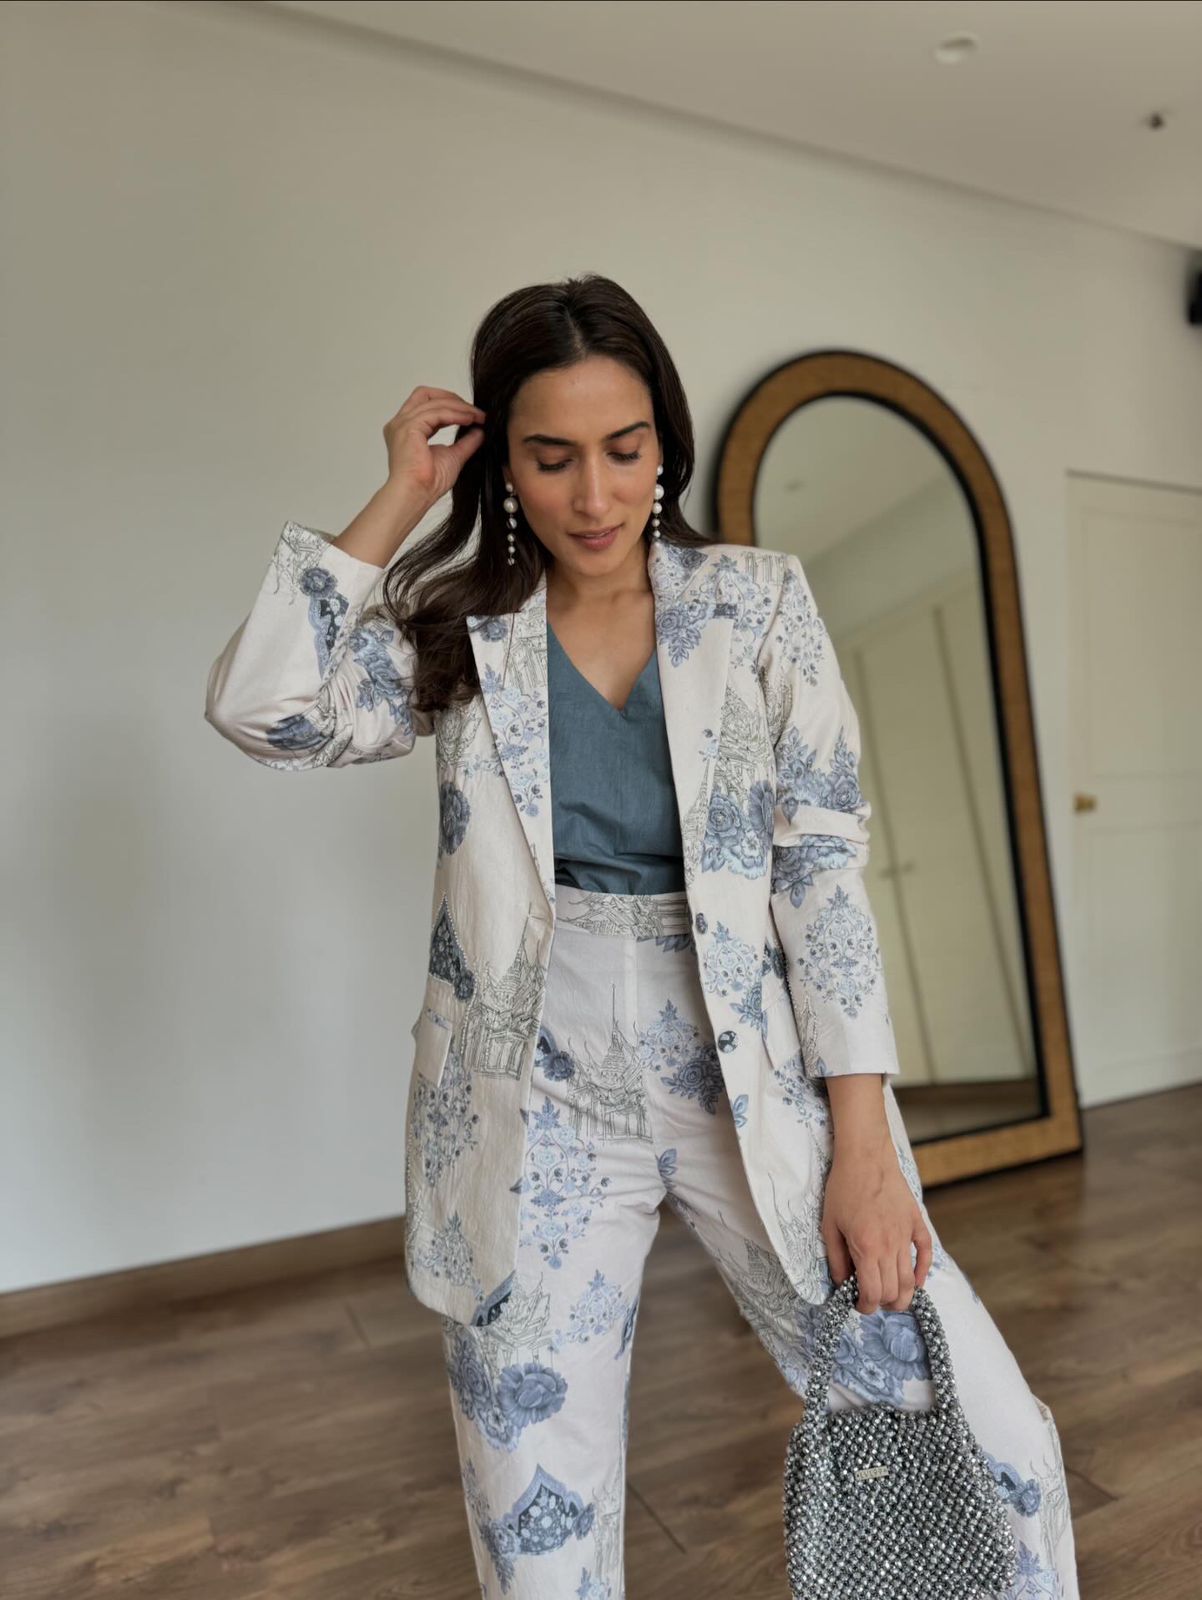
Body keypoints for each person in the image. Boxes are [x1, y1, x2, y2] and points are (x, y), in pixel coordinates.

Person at [205, 274, 1079, 1600]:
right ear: (502, 457)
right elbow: (262, 709)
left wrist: (866, 1145)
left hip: (754, 1078)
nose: (594, 497)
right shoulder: (458, 627)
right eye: (551, 458)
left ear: (664, 441)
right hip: (528, 1103)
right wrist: (397, 500)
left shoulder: (756, 603)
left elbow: (823, 871)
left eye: (623, 452)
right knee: (534, 1522)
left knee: (984, 1432)